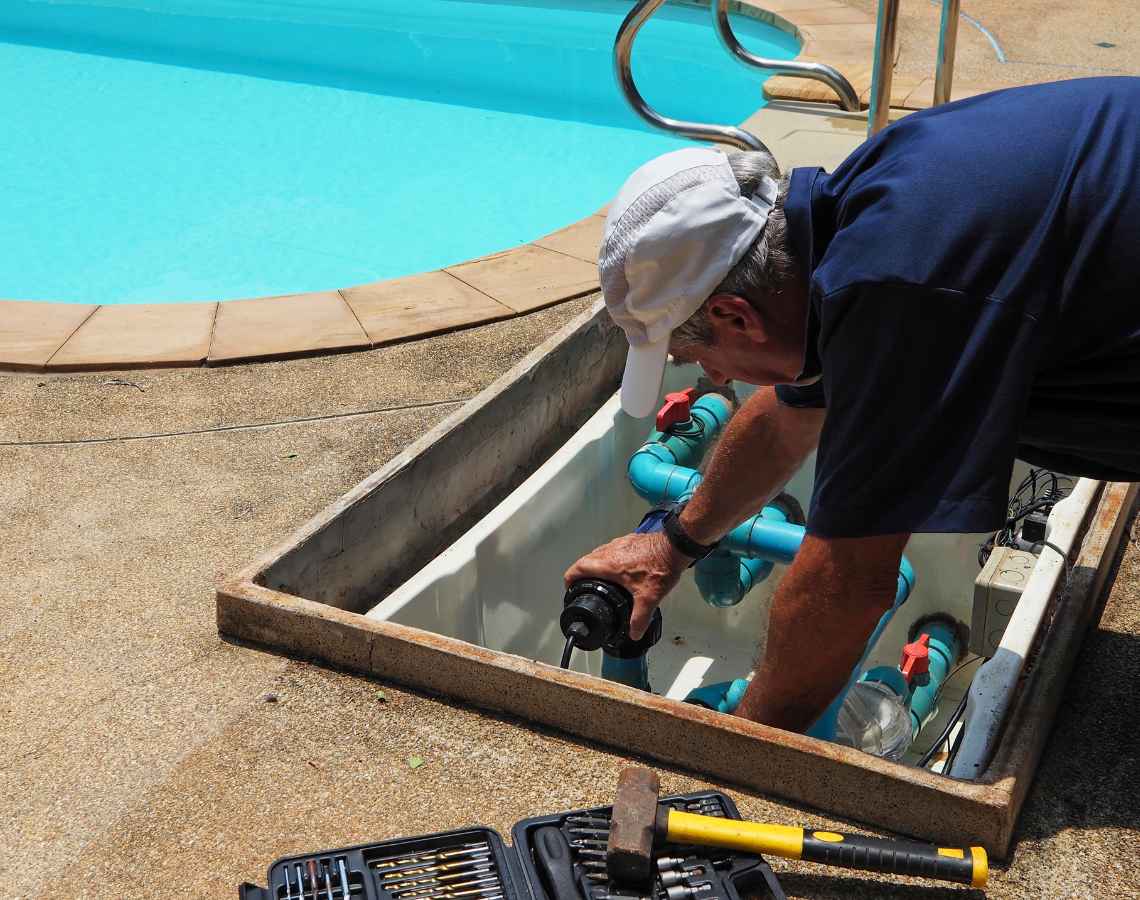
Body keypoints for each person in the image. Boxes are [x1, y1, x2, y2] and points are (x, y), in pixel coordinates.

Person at [564, 77, 1140, 733]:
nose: (714, 377)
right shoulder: (866, 210)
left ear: (735, 315)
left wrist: (737, 756)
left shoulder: (901, 287)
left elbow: (847, 584)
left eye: (702, 358)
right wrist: (675, 542)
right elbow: (790, 416)